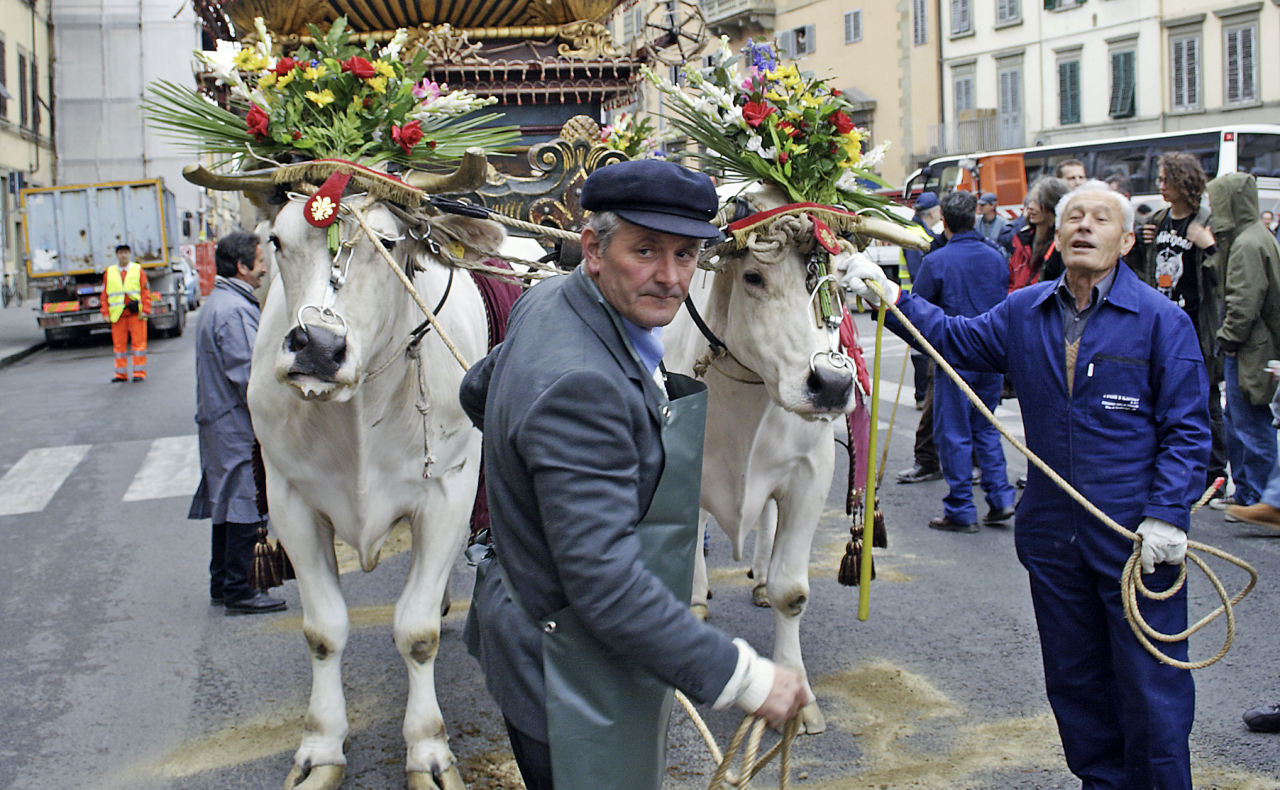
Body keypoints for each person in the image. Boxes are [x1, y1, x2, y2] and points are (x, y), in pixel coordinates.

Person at [844, 180, 1209, 790]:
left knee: (1151, 684)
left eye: (1100, 219)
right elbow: (955, 340)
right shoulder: (1025, 310)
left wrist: (1169, 515)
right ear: (1058, 235)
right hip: (1051, 532)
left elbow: (1188, 430)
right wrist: (891, 298)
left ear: (1124, 240)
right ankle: (1102, 783)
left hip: (1134, 535)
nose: (1083, 227)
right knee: (1075, 677)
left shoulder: (1162, 322)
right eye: (1073, 218)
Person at [458, 159, 808, 790]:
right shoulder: (583, 385)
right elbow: (606, 584)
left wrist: (528, 489)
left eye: (686, 254)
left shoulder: (547, 299)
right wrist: (746, 677)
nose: (670, 278)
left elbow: (476, 390)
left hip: (535, 623)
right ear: (593, 248)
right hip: (567, 669)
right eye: (645, 251)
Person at [188, 231, 285, 616]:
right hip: (234, 424)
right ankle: (240, 589)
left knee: (228, 502)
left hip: (223, 421)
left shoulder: (225, 303)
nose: (264, 270)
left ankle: (222, 583)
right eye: (260, 262)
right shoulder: (232, 310)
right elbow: (250, 377)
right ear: (243, 267)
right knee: (244, 501)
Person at [911, 191, 1015, 531]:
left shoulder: (937, 261)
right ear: (973, 218)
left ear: (945, 221)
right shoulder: (995, 256)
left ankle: (960, 507)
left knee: (954, 433)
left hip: (955, 355)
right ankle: (1000, 498)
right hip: (992, 354)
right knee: (985, 427)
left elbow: (919, 311)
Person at [1131, 153, 1227, 499]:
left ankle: (1214, 474)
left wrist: (1210, 247)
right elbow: (1141, 270)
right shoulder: (1158, 220)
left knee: (1206, 398)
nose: (1159, 185)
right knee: (1158, 392)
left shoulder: (1205, 221)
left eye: (1164, 179)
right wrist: (1140, 245)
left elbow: (1223, 277)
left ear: (1182, 181)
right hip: (1161, 322)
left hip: (1196, 324)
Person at [1211, 172, 1280, 509]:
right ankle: (1254, 496)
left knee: (1250, 424)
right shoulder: (1255, 237)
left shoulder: (1247, 244)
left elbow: (1243, 303)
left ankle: (1261, 500)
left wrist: (1227, 340)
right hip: (1255, 344)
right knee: (1242, 420)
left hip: (1249, 347)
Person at [101, 244, 151, 382]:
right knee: (119, 346)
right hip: (118, 314)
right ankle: (120, 374)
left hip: (135, 313)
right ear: (117, 255)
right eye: (121, 253)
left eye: (126, 253)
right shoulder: (110, 272)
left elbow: (145, 291)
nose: (123, 256)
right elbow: (104, 294)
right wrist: (105, 312)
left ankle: (139, 373)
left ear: (129, 254)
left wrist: (145, 308)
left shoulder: (137, 270)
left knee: (139, 344)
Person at [1008, 177, 1068, 291]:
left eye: (1038, 202)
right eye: (1030, 200)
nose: (1030, 206)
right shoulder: (1022, 239)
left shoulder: (1060, 247)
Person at [975, 192, 1008, 258]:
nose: (980, 207)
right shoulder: (976, 222)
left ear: (993, 206)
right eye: (980, 205)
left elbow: (1005, 247)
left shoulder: (1003, 224)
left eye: (983, 205)